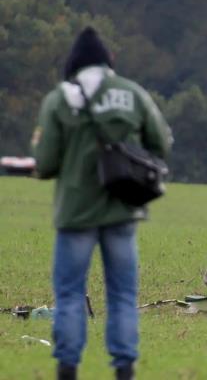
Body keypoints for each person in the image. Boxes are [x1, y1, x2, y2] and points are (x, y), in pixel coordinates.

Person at [32, 28, 172, 380]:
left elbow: (45, 163)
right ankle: (124, 369)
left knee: (68, 295)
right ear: (109, 62)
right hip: (122, 210)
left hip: (76, 212)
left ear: (73, 65)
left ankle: (68, 368)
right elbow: (161, 142)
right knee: (123, 296)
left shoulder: (59, 100)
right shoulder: (132, 93)